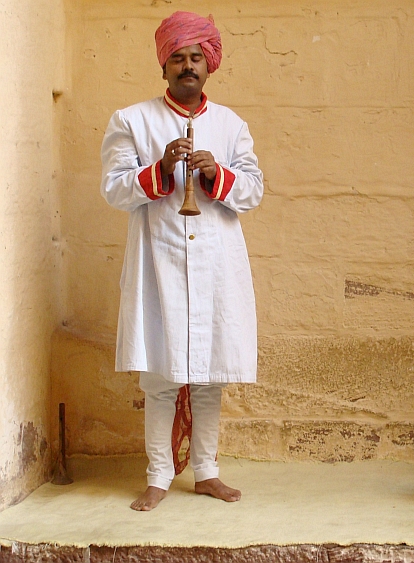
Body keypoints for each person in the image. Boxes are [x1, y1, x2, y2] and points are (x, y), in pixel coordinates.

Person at [100, 11, 264, 511]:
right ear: (164, 65)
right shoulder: (132, 120)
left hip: (217, 265)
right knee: (162, 376)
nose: (187, 65)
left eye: (196, 57)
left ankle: (207, 472)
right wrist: (160, 169)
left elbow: (254, 191)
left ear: (208, 65)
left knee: (211, 374)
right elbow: (114, 189)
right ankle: (157, 475)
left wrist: (219, 175)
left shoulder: (231, 125)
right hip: (160, 263)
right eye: (178, 57)